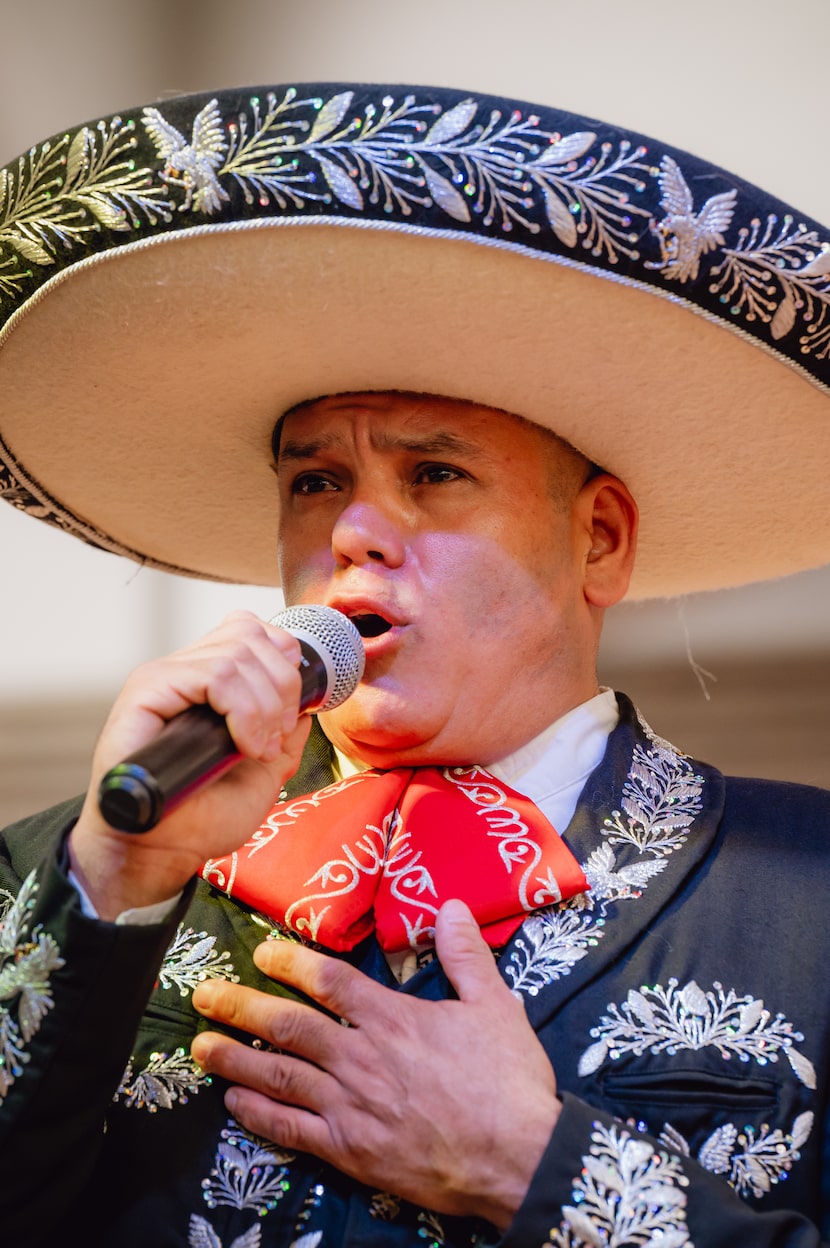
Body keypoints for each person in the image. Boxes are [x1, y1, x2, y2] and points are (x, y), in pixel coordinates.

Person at [0, 80, 828, 1247]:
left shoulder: (807, 888)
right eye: (314, 482)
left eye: (433, 476)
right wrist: (116, 886)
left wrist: (536, 1169)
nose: (350, 533)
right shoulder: (77, 863)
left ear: (597, 539)